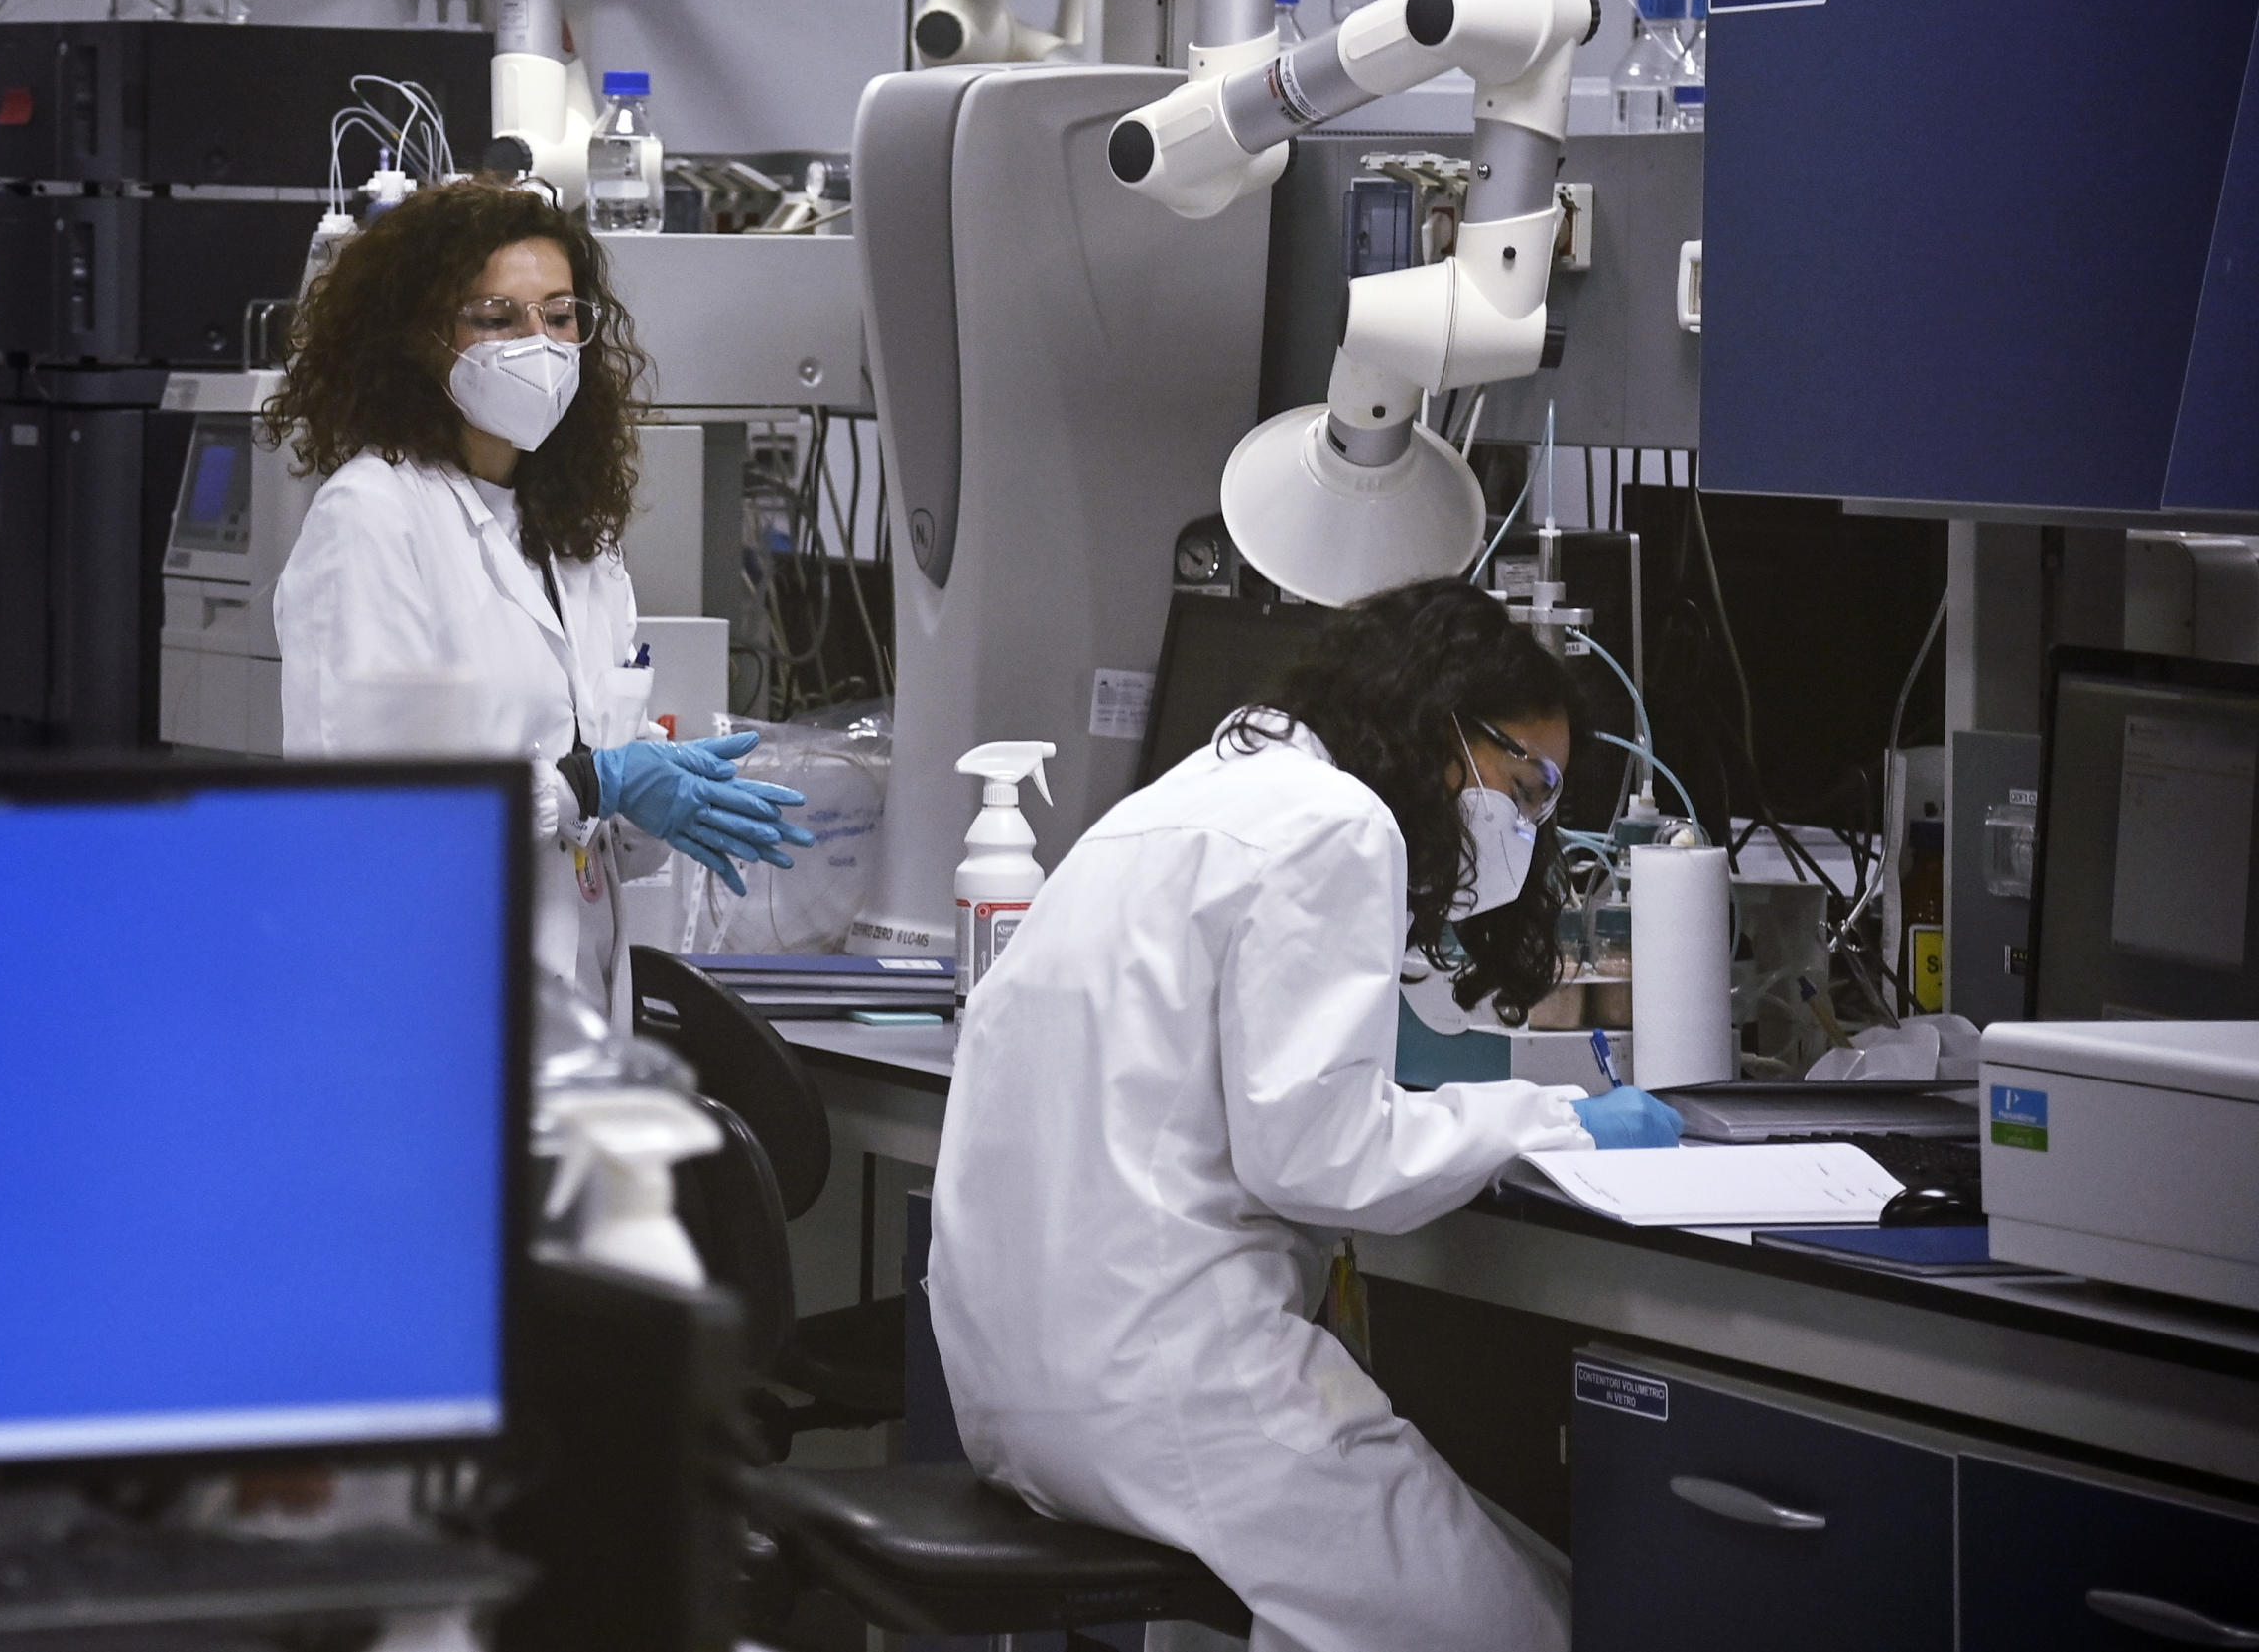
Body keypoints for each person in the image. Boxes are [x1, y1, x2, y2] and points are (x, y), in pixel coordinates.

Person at [927, 577, 1685, 1652]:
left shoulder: (1169, 805)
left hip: (1025, 1402)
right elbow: (1319, 1159)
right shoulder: (1337, 822)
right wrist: (1549, 1122)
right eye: (1529, 782)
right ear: (1443, 726)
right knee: (1535, 1626)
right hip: (1174, 1393)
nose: (1529, 823)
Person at [265, 179, 813, 1015]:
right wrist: (592, 783)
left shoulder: (574, 538)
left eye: (560, 317)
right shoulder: (373, 517)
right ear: (420, 338)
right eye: (497, 317)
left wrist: (650, 802)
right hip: (423, 1009)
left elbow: (595, 833)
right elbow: (374, 816)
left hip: (574, 1010)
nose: (540, 343)